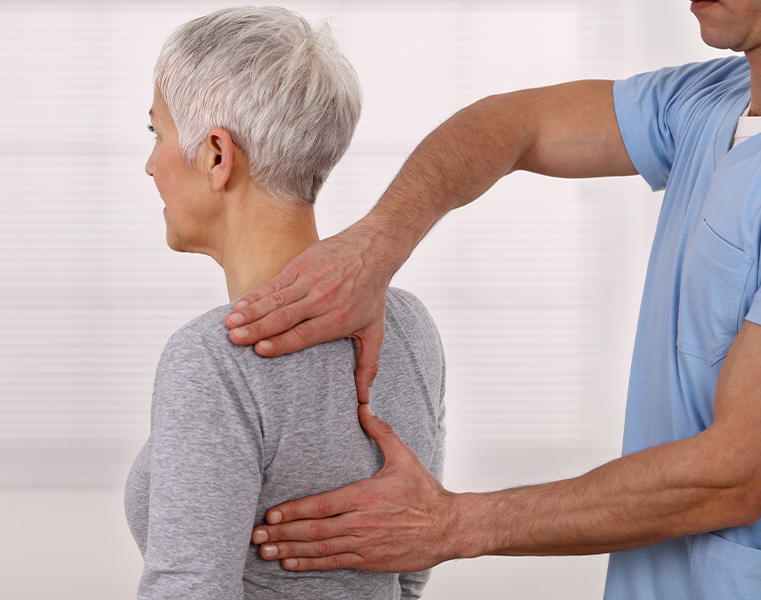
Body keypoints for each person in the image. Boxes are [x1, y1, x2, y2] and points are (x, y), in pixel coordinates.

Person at [229, 1, 761, 598]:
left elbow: (739, 474)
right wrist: (376, 247)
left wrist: (454, 524)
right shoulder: (708, 99)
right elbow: (510, 124)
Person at [123, 7, 446, 600]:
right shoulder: (408, 328)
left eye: (157, 134)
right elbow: (408, 574)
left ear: (217, 155)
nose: (150, 165)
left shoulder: (216, 357)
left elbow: (187, 589)